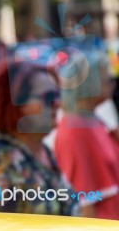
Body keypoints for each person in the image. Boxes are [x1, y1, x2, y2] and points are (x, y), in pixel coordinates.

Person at [0, 60, 77, 215]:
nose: (57, 103)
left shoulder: (41, 150)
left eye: (56, 94)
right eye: (47, 96)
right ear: (14, 103)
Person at [54, 52, 119, 220]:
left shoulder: (92, 120)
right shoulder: (76, 131)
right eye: (107, 78)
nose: (112, 83)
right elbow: (85, 199)